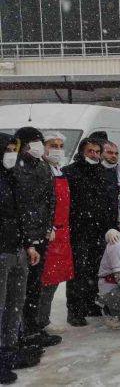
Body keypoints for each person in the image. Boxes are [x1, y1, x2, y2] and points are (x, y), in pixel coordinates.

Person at [0, 133, 43, 384]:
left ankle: (8, 351)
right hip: (2, 250)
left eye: (13, 149)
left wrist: (29, 244)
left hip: (17, 249)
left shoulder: (12, 176)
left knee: (15, 304)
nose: (10, 154)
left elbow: (21, 213)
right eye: (6, 149)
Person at [12, 127, 57, 349]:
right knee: (19, 289)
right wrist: (27, 239)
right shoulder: (15, 169)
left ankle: (32, 329)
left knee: (34, 287)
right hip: (22, 239)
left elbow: (51, 200)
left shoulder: (42, 167)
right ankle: (16, 334)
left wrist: (47, 228)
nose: (39, 145)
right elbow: (17, 207)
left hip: (41, 235)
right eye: (34, 141)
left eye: (40, 140)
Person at [63, 138, 113, 326]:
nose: (94, 155)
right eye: (90, 151)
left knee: (94, 269)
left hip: (98, 230)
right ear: (82, 152)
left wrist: (109, 226)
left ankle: (90, 302)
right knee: (78, 271)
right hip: (79, 230)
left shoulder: (103, 172)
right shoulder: (70, 172)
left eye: (97, 152)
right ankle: (74, 311)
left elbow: (108, 202)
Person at [34, 131, 73, 345]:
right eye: (52, 145)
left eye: (60, 145)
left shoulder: (59, 171)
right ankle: (37, 322)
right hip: (48, 233)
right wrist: (44, 227)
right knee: (43, 281)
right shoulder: (41, 171)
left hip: (62, 232)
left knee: (55, 279)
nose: (56, 149)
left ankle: (43, 319)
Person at [100, 140, 120, 234]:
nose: (114, 156)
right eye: (109, 152)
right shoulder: (95, 171)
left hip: (116, 218)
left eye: (116, 153)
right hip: (99, 219)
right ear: (101, 153)